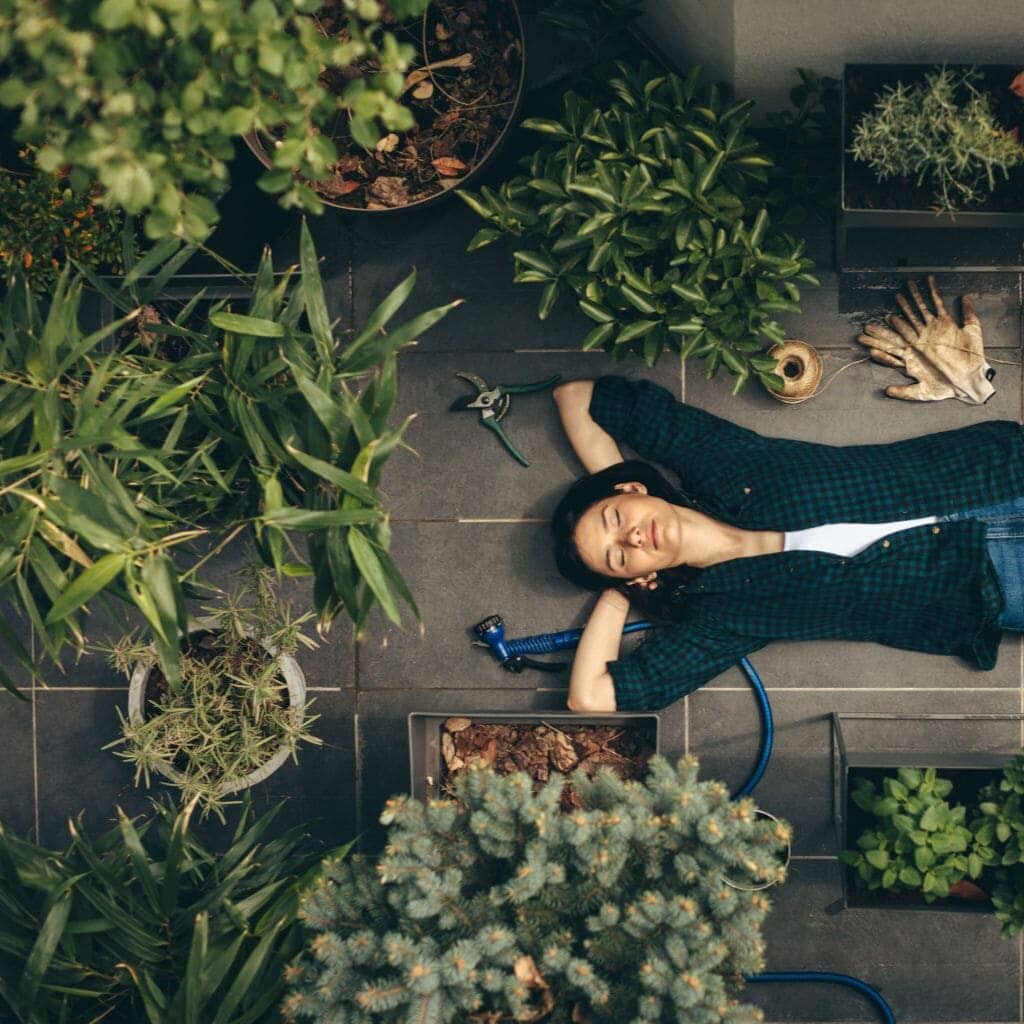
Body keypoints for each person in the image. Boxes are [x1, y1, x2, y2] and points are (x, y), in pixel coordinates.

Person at [551, 374, 1024, 713]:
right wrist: (621, 589)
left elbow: (578, 396)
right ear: (637, 576)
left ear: (633, 490)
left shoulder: (717, 461)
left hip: (990, 474)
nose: (632, 536)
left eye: (617, 517)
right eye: (618, 554)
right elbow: (589, 696)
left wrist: (617, 483)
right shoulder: (722, 617)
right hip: (991, 583)